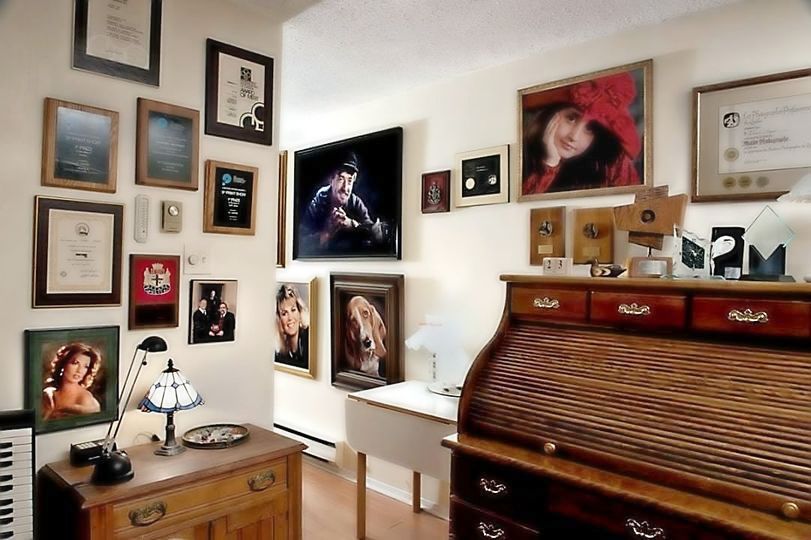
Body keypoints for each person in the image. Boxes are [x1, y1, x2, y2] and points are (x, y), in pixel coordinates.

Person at [522, 72, 642, 196]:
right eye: (571, 118)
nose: (574, 137)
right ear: (551, 114)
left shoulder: (613, 164)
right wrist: (550, 164)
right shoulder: (521, 152)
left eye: (590, 128)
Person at [300, 152, 383, 254]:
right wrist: (327, 233)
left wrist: (351, 224)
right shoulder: (318, 200)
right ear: (331, 179)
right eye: (341, 179)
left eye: (349, 181)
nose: (345, 188)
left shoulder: (355, 202)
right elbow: (301, 242)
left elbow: (377, 237)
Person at [42, 343, 102, 420]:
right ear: (64, 364)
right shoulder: (49, 394)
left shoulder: (86, 400)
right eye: (75, 363)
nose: (79, 370)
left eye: (85, 366)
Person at [274, 284, 310, 369]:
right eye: (284, 313)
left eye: (293, 310)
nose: (290, 318)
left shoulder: (309, 340)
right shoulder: (278, 355)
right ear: (279, 320)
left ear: (300, 312)